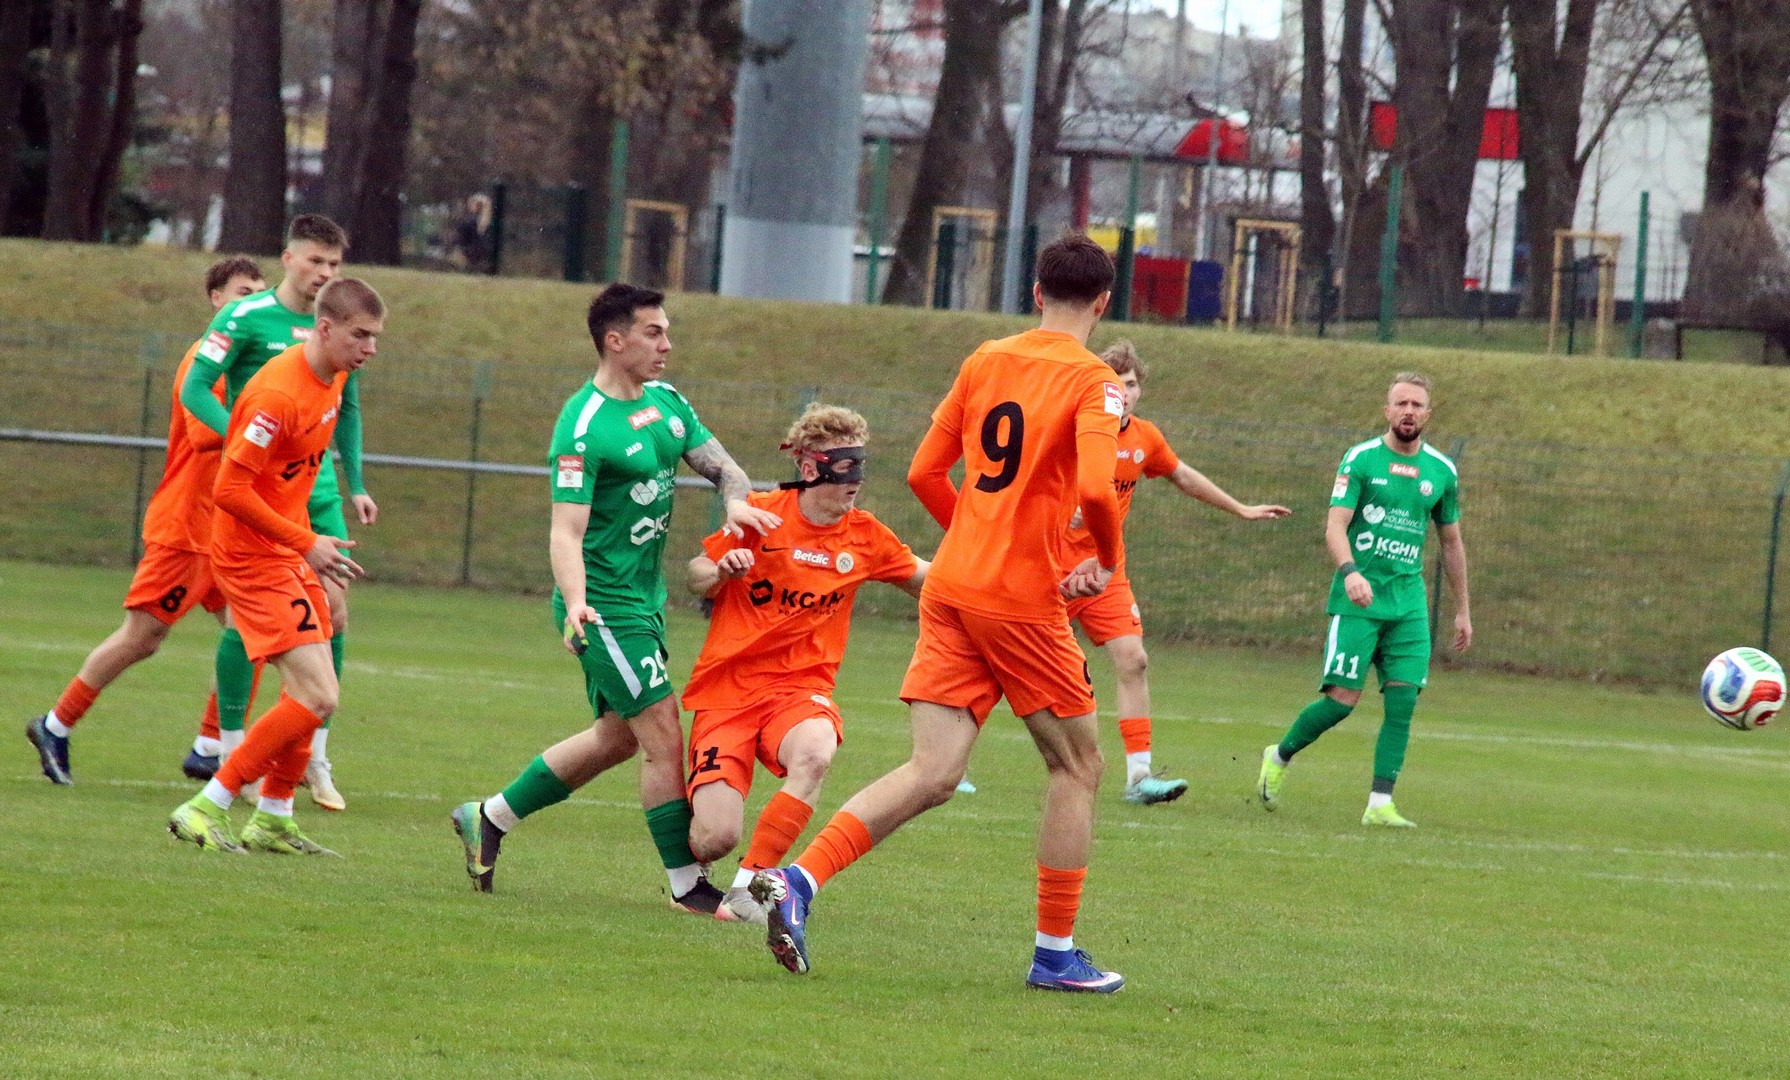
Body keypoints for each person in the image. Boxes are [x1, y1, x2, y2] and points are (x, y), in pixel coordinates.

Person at [751, 234, 1130, 992]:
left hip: (952, 586)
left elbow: (926, 471)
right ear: (1103, 302)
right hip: (1018, 599)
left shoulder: (985, 359)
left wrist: (976, 538)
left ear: (1035, 293)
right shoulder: (1096, 382)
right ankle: (1055, 955)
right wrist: (1106, 558)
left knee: (933, 772)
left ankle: (798, 881)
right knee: (1078, 765)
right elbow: (1096, 488)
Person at [448, 283, 780, 916]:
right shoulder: (582, 428)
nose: (667, 344)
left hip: (644, 599)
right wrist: (576, 602)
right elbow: (565, 532)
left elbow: (726, 469)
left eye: (666, 331)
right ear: (615, 340)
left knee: (616, 738)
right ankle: (688, 886)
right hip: (603, 607)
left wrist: (736, 502)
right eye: (654, 332)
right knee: (662, 733)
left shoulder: (667, 403)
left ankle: (488, 817)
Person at [682, 404, 928, 924]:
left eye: (861, 466)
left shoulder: (866, 536)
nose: (856, 481)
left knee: (815, 753)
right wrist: (722, 570)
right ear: (811, 467)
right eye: (845, 467)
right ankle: (692, 849)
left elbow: (931, 581)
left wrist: (1010, 579)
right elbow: (696, 573)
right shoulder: (759, 514)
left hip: (798, 693)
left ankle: (749, 891)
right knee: (713, 837)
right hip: (727, 693)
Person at [23, 257, 265, 784]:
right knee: (142, 637)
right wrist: (261, 431)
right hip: (187, 527)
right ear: (216, 299)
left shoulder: (251, 364)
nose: (251, 304)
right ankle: (55, 725)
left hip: (227, 528)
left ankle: (210, 746)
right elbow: (204, 434)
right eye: (242, 293)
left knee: (252, 632)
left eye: (258, 295)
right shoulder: (206, 360)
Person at [166, 277, 386, 855]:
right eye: (360, 336)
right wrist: (305, 541)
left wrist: (315, 527)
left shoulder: (334, 375)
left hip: (284, 548)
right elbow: (230, 490)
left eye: (375, 337)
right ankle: (205, 805)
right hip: (250, 555)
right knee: (318, 695)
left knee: (315, 686)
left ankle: (273, 815)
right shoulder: (275, 397)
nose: (370, 348)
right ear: (325, 328)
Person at [1059, 341, 1290, 805]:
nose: (1124, 393)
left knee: (1134, 659)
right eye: (1114, 384)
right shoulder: (1072, 432)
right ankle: (948, 762)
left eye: (1130, 384)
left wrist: (1241, 508)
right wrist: (1063, 515)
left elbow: (1182, 476)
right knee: (1006, 661)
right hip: (1052, 566)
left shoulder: (1145, 439)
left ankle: (1139, 777)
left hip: (1106, 569)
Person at [1257, 372, 1472, 827]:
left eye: (1417, 404)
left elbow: (1451, 542)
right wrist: (1350, 571)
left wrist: (1463, 610)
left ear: (1428, 414)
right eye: (1401, 403)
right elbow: (1335, 526)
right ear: (1387, 410)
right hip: (1358, 600)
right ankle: (1279, 755)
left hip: (1408, 604)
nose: (1409, 411)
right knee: (1340, 701)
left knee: (1403, 702)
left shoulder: (1442, 471)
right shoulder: (1361, 459)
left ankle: (1380, 803)